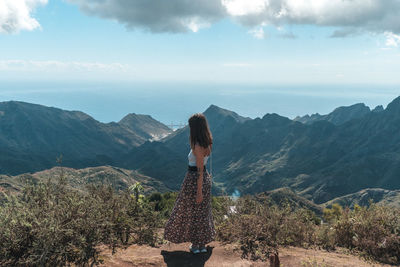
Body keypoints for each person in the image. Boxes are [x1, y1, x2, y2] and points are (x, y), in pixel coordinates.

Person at [163, 113, 215, 254]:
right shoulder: (208, 142)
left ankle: (196, 245)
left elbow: (198, 170)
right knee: (202, 213)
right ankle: (201, 244)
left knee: (191, 212)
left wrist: (199, 192)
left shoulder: (197, 146)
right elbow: (204, 167)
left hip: (194, 180)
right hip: (204, 179)